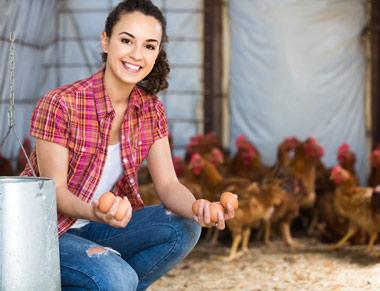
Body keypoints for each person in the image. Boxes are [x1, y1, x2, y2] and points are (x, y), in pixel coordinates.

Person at [21, 0, 236, 290]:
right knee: (118, 278)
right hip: (49, 233)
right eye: (126, 40)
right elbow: (54, 192)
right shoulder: (61, 103)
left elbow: (169, 186)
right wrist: (96, 211)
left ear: (157, 52)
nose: (137, 54)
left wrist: (199, 206)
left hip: (100, 227)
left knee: (185, 225)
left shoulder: (150, 109)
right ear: (106, 41)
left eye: (149, 46)